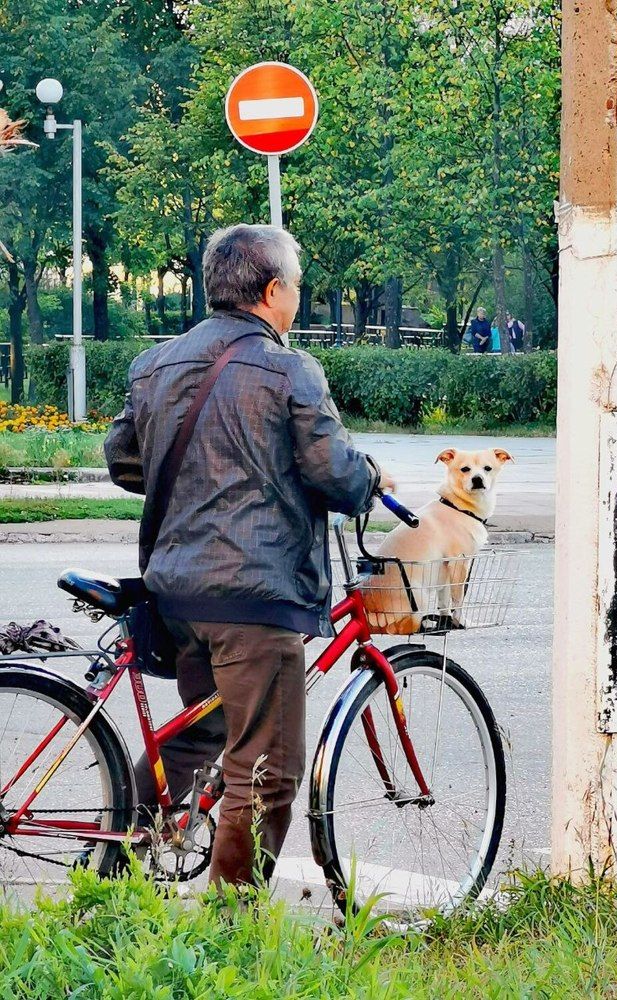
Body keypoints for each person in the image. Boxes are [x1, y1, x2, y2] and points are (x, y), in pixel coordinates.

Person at [104, 224, 395, 889]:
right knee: (267, 769)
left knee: (198, 736)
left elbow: (124, 459)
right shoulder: (290, 369)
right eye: (294, 286)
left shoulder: (156, 363)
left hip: (175, 593)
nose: (297, 297)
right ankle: (234, 927)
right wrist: (371, 478)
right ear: (271, 292)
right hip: (254, 600)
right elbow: (336, 473)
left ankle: (111, 884)